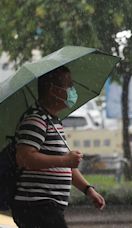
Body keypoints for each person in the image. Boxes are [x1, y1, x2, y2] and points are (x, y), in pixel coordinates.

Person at [12, 66, 105, 228]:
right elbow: (24, 157)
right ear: (52, 89)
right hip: (36, 205)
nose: (72, 90)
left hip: (48, 206)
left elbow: (66, 165)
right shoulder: (36, 120)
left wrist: (88, 190)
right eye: (68, 85)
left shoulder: (53, 121)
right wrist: (64, 160)